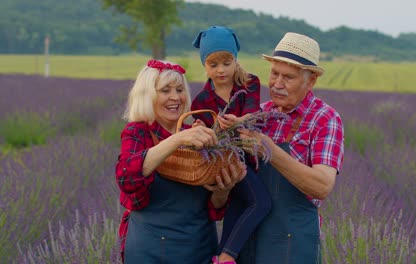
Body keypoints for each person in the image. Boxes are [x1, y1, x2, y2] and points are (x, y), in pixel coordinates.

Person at [115, 59, 247, 263]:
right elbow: (127, 178)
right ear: (148, 95)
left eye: (179, 89)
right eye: (165, 90)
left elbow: (214, 210)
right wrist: (176, 140)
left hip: (198, 248)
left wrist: (222, 189)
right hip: (150, 249)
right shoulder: (138, 132)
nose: (175, 97)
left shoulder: (196, 133)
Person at [237, 32, 345, 263]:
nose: (277, 84)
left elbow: (322, 185)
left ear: (311, 80)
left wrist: (271, 150)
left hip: (292, 243)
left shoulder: (325, 119)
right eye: (274, 73)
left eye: (288, 77)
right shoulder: (260, 114)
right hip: (249, 240)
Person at [191, 26, 272, 264]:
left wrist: (238, 121)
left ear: (236, 60)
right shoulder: (202, 100)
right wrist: (200, 128)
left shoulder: (249, 83)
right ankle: (227, 256)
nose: (221, 70)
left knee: (238, 207)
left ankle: (220, 257)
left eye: (227, 62)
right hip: (224, 163)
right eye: (213, 64)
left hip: (251, 157)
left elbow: (253, 114)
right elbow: (202, 141)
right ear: (204, 65)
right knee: (261, 202)